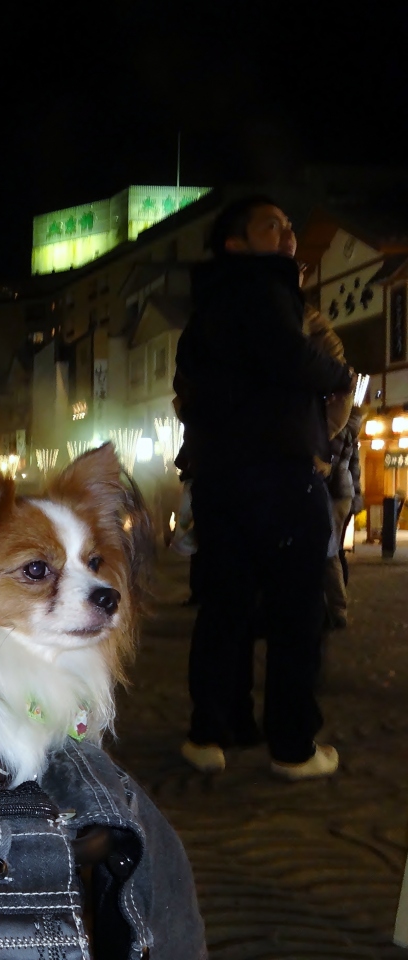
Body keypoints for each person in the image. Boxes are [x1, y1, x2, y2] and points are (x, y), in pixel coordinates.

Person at [174, 195, 353, 780]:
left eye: (289, 225)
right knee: (296, 609)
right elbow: (296, 359)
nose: (287, 234)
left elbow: (187, 392)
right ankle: (293, 744)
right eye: (271, 225)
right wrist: (339, 376)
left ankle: (212, 731)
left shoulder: (205, 312)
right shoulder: (264, 290)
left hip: (220, 478)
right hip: (278, 475)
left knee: (225, 605)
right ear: (236, 242)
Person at [323, 404, 365, 628]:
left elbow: (330, 465)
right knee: (335, 550)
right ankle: (337, 606)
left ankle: (337, 609)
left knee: (330, 554)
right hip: (345, 494)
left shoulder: (339, 430)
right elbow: (354, 470)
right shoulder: (352, 432)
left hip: (334, 494)